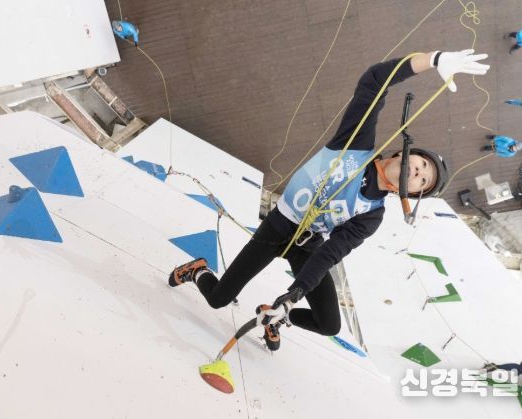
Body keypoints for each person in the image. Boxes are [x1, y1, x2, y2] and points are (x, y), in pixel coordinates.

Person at [169, 49, 490, 351]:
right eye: (421, 164)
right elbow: (374, 82)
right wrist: (433, 59)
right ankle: (198, 270)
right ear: (405, 154)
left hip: (308, 245)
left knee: (329, 324)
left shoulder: (371, 215)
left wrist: (292, 298)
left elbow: (331, 252)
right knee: (218, 299)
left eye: (423, 181)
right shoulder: (356, 144)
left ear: (409, 193)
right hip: (279, 227)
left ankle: (275, 317)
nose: (418, 172)